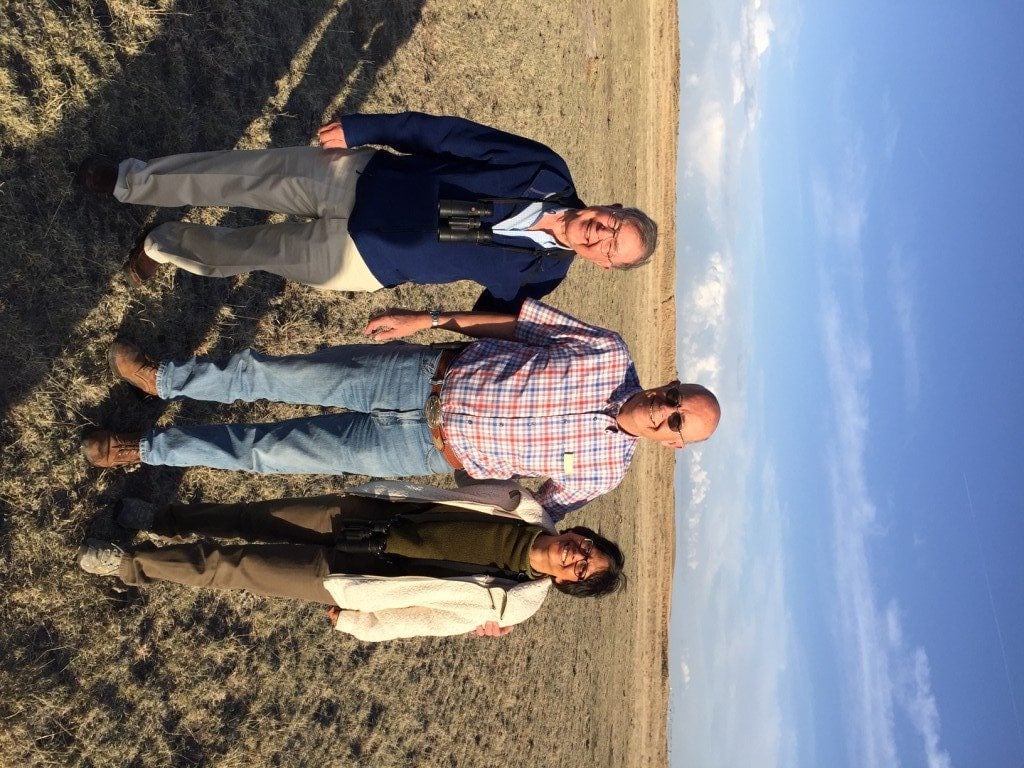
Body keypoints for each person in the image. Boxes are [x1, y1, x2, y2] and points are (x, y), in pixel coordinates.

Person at [82, 299, 721, 521]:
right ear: (668, 381)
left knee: (266, 449)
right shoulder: (608, 352)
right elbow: (516, 324)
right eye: (674, 397)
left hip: (416, 452)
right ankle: (163, 381)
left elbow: (534, 516)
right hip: (415, 376)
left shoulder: (605, 473)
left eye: (674, 423)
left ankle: (139, 450)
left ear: (671, 446)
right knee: (270, 372)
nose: (663, 411)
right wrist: (431, 317)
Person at [76, 111, 658, 312]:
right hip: (357, 180)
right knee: (238, 174)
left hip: (361, 263)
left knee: (248, 252)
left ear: (604, 266)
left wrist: (434, 337)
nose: (602, 235)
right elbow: (449, 136)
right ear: (609, 205)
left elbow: (488, 321)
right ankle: (132, 182)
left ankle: (162, 245)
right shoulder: (546, 172)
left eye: (612, 248)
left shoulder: (544, 275)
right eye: (614, 224)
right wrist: (368, 128)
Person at [77, 481, 625, 641]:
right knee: (252, 517)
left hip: (357, 577)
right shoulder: (521, 503)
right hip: (364, 515)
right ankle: (167, 517)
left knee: (235, 566)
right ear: (578, 532)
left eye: (581, 570)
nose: (576, 557)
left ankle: (129, 565)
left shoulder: (510, 605)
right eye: (586, 549)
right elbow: (457, 482)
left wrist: (363, 623)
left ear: (566, 583)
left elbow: (428, 620)